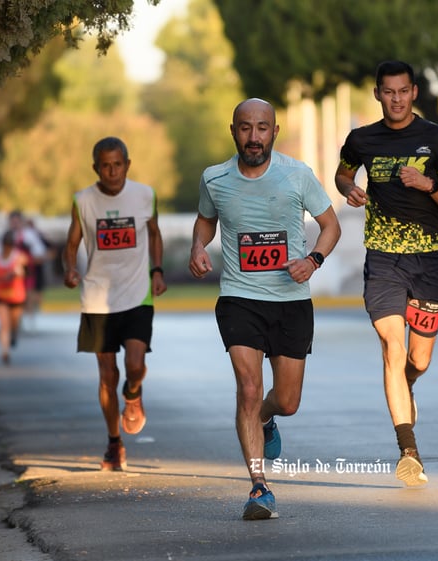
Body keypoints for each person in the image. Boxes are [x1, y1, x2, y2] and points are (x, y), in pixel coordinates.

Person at [189, 98, 341, 520]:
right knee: (249, 389)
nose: (253, 137)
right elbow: (207, 218)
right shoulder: (214, 178)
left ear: (274, 131)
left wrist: (312, 261)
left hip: (291, 302)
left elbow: (331, 226)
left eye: (261, 128)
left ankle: (267, 420)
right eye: (244, 128)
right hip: (239, 298)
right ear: (232, 130)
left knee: (286, 401)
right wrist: (198, 245)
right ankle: (259, 488)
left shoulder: (297, 175)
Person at [334, 60, 438, 487]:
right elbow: (343, 170)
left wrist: (427, 185)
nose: (395, 99)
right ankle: (408, 450)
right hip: (384, 259)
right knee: (392, 346)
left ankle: (406, 387)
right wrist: (347, 186)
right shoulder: (362, 139)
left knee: (417, 359)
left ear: (413, 93)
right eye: (387, 92)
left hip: (428, 261)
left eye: (402, 91)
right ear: (377, 94)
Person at [62, 136, 167, 472]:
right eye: (105, 165)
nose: (112, 171)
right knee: (107, 374)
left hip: (137, 293)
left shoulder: (144, 195)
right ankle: (113, 443)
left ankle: (133, 393)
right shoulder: (83, 200)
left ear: (127, 165)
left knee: (134, 365)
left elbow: (154, 233)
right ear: (96, 168)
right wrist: (70, 269)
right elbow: (72, 241)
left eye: (117, 164)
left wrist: (157, 270)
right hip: (97, 297)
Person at [0, 230, 30, 364]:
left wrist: (18, 272)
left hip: (16, 296)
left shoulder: (19, 257)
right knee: (3, 325)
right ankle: (5, 351)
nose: (6, 248)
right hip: (0, 295)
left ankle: (14, 335)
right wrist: (0, 278)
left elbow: (26, 272)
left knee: (14, 323)